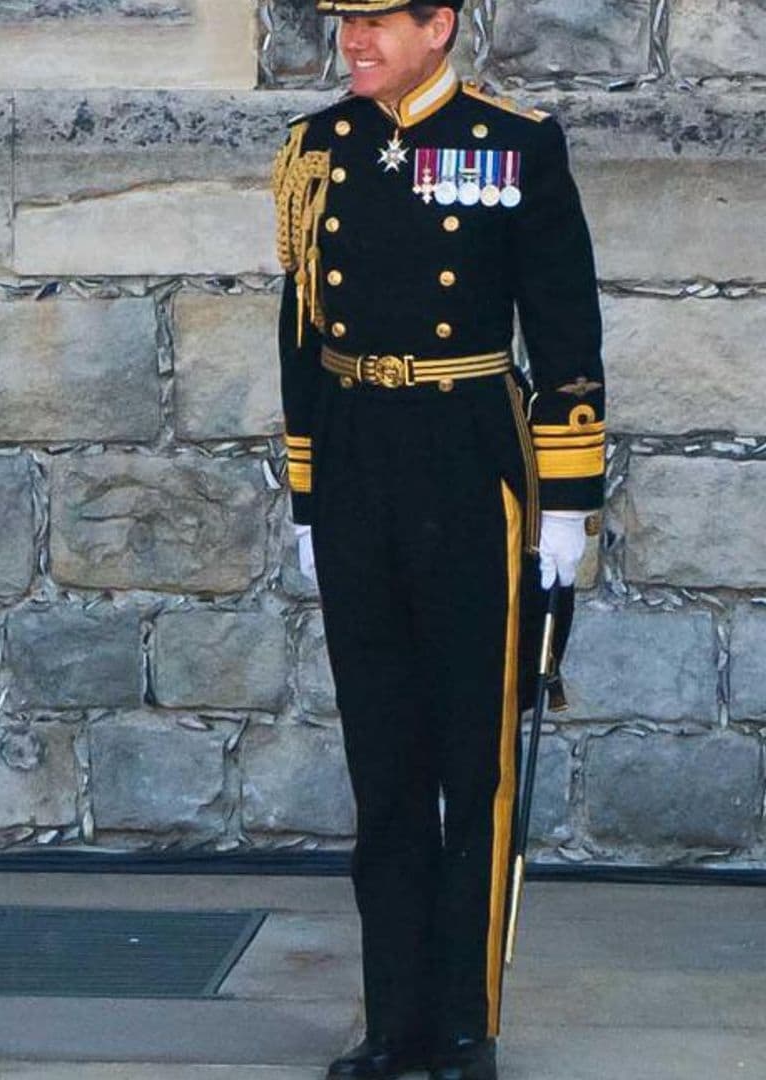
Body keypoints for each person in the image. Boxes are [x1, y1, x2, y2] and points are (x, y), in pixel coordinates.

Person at [271, 3, 605, 1078]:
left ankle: (465, 1020)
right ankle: (394, 1020)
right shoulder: (319, 147)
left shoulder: (516, 141)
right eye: (344, 22)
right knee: (385, 762)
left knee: (474, 756)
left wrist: (566, 503)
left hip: (471, 463)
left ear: (439, 25)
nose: (353, 41)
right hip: (361, 452)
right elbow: (302, 335)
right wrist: (309, 496)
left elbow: (564, 325)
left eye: (375, 21)